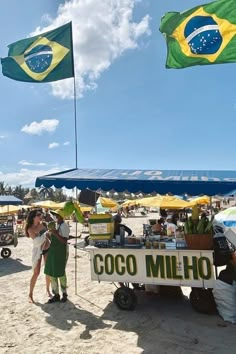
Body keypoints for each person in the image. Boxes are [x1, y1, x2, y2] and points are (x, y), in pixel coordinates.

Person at [25, 209, 51, 303]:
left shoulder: (43, 224)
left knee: (48, 271)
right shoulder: (30, 228)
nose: (40, 216)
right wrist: (45, 234)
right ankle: (30, 294)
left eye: (41, 214)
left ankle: (48, 290)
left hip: (48, 249)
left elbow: (49, 236)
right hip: (38, 251)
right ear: (33, 217)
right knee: (36, 273)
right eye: (38, 215)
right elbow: (37, 242)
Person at [44, 209, 70, 303]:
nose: (55, 217)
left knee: (61, 272)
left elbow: (64, 241)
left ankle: (64, 293)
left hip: (61, 251)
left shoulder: (64, 226)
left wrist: (55, 233)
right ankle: (56, 294)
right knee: (52, 272)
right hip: (54, 251)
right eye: (54, 215)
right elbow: (54, 239)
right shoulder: (57, 225)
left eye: (56, 215)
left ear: (61, 216)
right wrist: (49, 235)